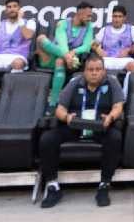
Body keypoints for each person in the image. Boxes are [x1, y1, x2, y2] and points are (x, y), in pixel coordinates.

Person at [39, 54, 124, 209]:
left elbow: (118, 106)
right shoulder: (74, 83)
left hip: (100, 125)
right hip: (75, 126)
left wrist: (111, 117)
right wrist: (66, 117)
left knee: (115, 137)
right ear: (84, 71)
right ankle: (52, 186)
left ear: (104, 71)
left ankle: (104, 185)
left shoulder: (112, 82)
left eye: (98, 69)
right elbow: (60, 109)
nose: (94, 73)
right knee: (47, 139)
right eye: (90, 69)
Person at [36, 2, 95, 114]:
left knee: (60, 61)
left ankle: (53, 104)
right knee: (41, 38)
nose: (90, 18)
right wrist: (67, 55)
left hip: (72, 62)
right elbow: (62, 43)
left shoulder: (89, 26)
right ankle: (53, 104)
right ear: (79, 13)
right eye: (88, 15)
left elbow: (86, 47)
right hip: (53, 57)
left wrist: (73, 52)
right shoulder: (62, 24)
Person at [92, 5, 134, 73]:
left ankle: (127, 80)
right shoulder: (104, 30)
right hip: (107, 59)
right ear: (112, 17)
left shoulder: (132, 29)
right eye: (115, 16)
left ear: (124, 18)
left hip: (124, 59)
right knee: (95, 65)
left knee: (133, 65)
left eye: (120, 17)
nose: (117, 19)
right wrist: (98, 50)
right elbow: (94, 44)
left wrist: (128, 50)